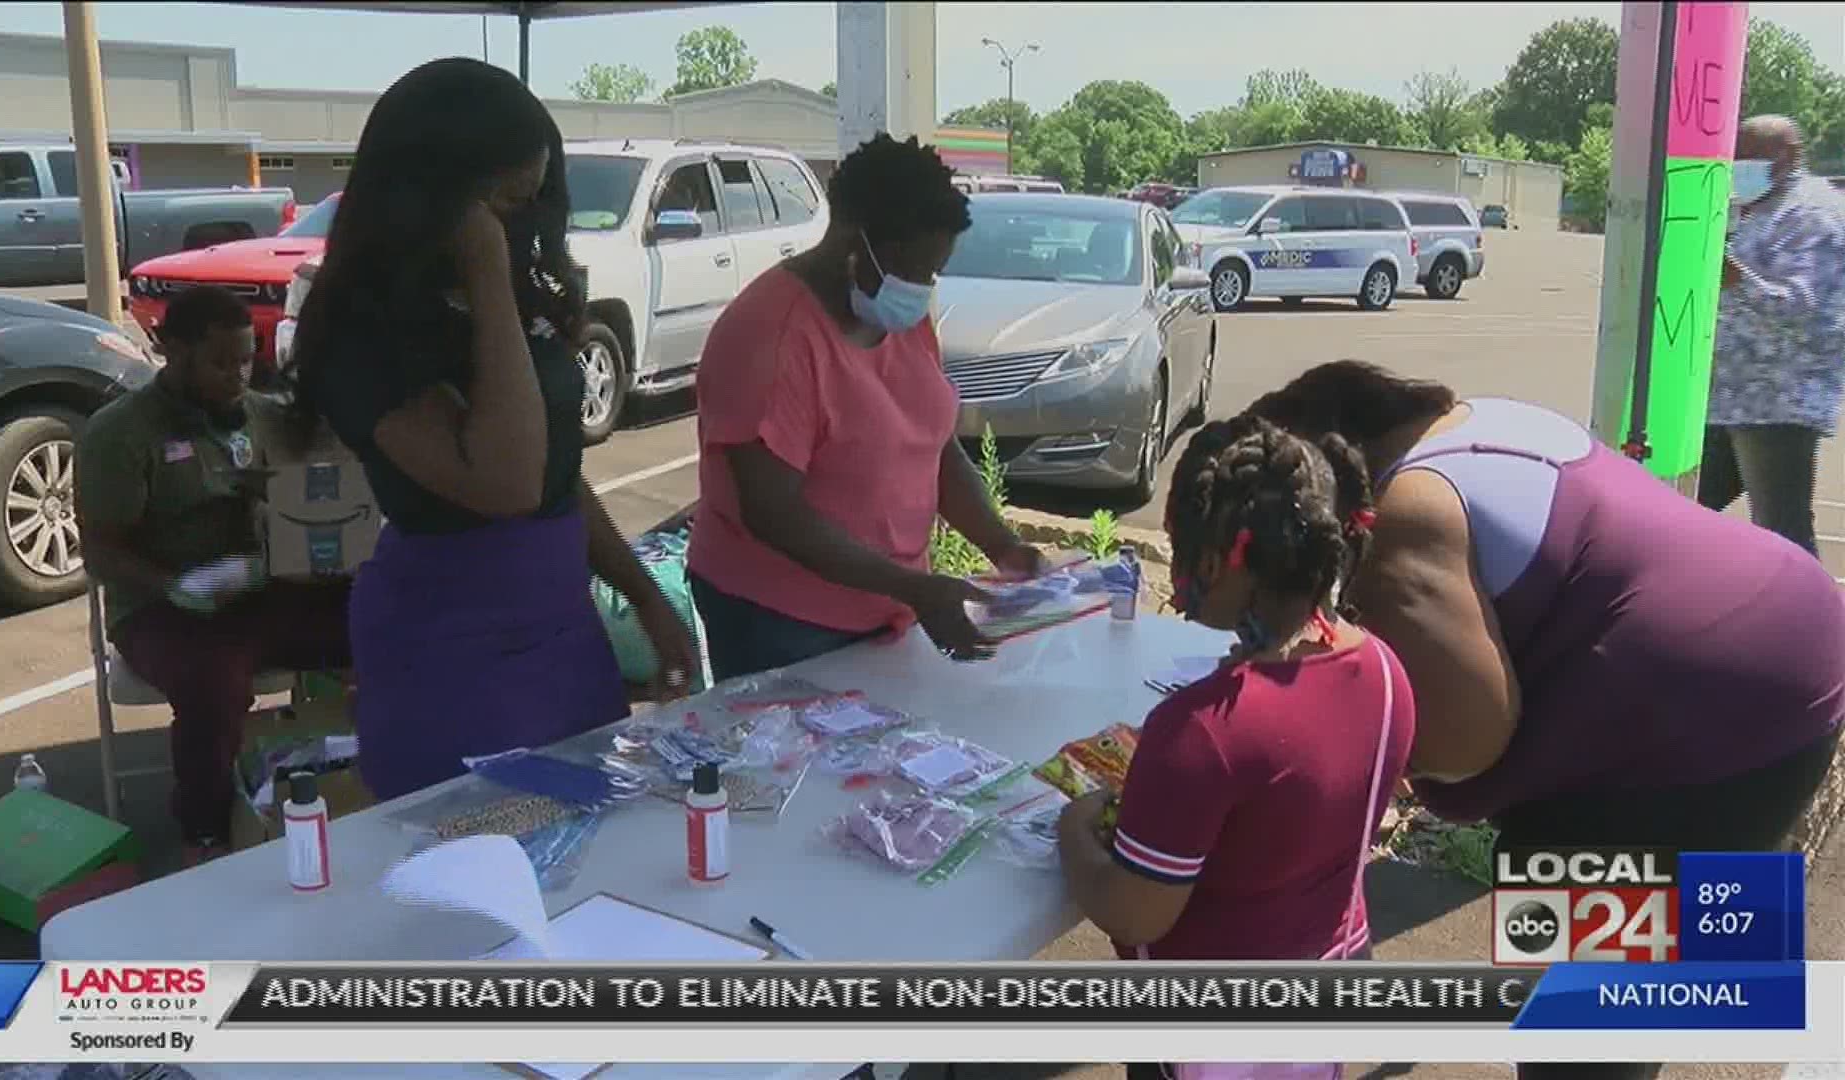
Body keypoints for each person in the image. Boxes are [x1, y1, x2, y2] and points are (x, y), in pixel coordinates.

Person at [1247, 361, 1845, 1079]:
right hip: (1798, 642)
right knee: (1651, 947)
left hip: (1716, 720)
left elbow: (1467, 742)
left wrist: (1334, 720)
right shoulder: (1476, 421)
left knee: (1572, 986)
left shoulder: (1404, 512)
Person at [289, 58, 696, 801]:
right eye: (502, 203)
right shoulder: (360, 330)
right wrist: (484, 269)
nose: (521, 224)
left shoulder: (509, 299)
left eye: (533, 199)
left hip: (560, 629)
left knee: (590, 840)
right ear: (434, 198)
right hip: (450, 649)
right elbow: (505, 482)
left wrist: (644, 596)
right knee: (481, 868)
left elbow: (554, 474)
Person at [1055, 416, 1415, 1080]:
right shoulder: (1388, 675)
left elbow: (1134, 910)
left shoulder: (1200, 733)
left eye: (1180, 550)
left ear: (1219, 562)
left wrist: (1075, 831)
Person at [688, 133, 1043, 681]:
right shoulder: (768, 337)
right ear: (855, 243)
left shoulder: (897, 315)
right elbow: (773, 513)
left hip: (887, 610)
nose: (922, 287)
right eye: (913, 270)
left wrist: (1004, 546)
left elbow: (935, 448)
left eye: (934, 271)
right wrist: (914, 588)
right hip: (783, 623)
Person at [78, 285, 353, 865]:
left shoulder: (259, 412)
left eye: (247, 359)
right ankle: (204, 832)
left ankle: (361, 776)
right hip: (162, 606)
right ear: (173, 351)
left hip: (261, 587)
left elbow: (313, 486)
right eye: (221, 362)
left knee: (377, 615)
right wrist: (176, 586)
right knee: (215, 682)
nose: (238, 376)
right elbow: (102, 551)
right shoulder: (120, 433)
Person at [1701, 114, 1845, 555]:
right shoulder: (1755, 205)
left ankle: (1813, 622)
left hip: (1777, 405)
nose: (1738, 165)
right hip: (1725, 399)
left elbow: (1808, 310)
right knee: (1674, 506)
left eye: (1748, 156)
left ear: (1786, 155)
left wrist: (1736, 281)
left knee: (1783, 537)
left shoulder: (1814, 213)